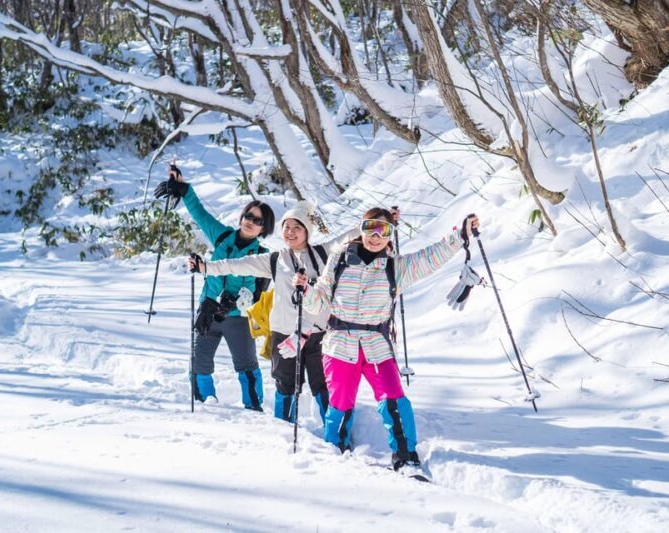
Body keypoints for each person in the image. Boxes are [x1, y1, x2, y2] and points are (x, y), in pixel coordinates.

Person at [297, 207, 480, 476]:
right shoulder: (338, 260)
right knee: (340, 402)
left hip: (377, 345)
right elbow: (320, 300)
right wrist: (306, 291)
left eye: (383, 230)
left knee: (394, 398)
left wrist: (460, 235)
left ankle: (406, 456)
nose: (375, 235)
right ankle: (335, 449)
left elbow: (431, 257)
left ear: (390, 234)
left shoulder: (396, 266)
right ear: (361, 228)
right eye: (370, 227)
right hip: (339, 343)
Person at [194, 201, 357, 424]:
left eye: (296, 227)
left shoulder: (323, 253)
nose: (290, 232)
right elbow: (236, 265)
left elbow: (347, 238)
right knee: (284, 383)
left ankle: (335, 433)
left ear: (307, 231)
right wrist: (205, 267)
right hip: (284, 332)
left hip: (317, 333)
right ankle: (283, 427)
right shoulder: (274, 259)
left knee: (322, 383)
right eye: (286, 227)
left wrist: (379, 222)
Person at [154, 167, 275, 411]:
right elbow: (200, 214)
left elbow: (260, 287)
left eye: (258, 221)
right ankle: (205, 407)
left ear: (264, 229)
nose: (251, 222)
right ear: (242, 217)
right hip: (208, 310)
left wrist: (235, 301)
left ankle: (253, 409)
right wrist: (184, 188)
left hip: (238, 317)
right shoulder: (222, 237)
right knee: (200, 362)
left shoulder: (262, 256)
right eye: (248, 216)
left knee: (246, 364)